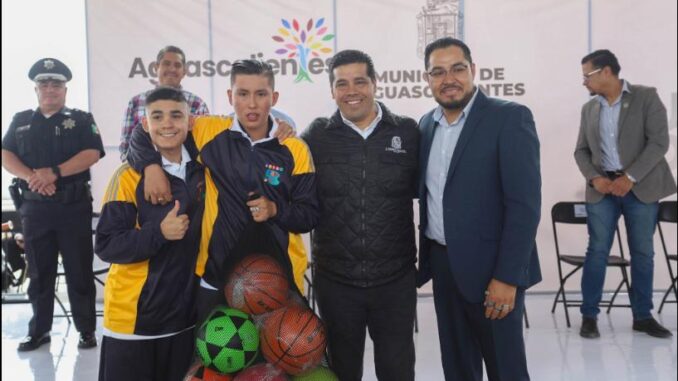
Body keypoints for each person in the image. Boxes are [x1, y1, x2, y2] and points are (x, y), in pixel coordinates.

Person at [127, 59, 318, 323]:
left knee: (278, 362)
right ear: (230, 96)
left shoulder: (295, 147)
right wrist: (151, 167)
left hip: (277, 279)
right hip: (215, 275)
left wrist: (275, 209)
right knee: (216, 359)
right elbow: (144, 131)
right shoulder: (208, 130)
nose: (251, 104)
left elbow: (308, 216)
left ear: (273, 97)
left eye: (260, 94)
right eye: (242, 94)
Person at [417, 38, 541, 381]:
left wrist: (507, 277)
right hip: (443, 264)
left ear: (473, 70)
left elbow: (524, 206)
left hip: (493, 270)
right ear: (427, 78)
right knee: (457, 367)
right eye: (438, 72)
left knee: (506, 368)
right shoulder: (426, 125)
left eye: (457, 68)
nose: (448, 79)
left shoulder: (509, 118)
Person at [301, 50, 419, 381]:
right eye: (342, 83)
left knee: (397, 371)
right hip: (337, 280)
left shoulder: (407, 133)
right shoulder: (316, 137)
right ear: (332, 90)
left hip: (394, 279)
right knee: (342, 370)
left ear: (375, 83)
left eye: (360, 81)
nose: (351, 90)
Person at [95, 87, 204, 381]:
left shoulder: (203, 171)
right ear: (145, 125)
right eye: (157, 116)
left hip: (182, 321)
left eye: (176, 115)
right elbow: (106, 245)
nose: (167, 124)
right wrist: (159, 232)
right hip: (133, 322)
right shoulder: (128, 176)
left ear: (190, 122)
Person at [1, 58, 104, 351]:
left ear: (65, 89)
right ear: (36, 89)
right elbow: (6, 154)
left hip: (72, 208)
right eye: (44, 84)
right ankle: (39, 331)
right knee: (39, 272)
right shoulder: (21, 121)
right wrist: (33, 177)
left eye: (56, 84)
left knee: (79, 271)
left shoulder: (81, 119)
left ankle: (86, 330)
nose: (50, 89)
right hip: (35, 209)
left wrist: (54, 173)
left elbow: (92, 153)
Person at [574, 49, 676, 339]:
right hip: (602, 189)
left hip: (640, 188)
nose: (584, 82)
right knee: (597, 251)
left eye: (587, 75)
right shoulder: (589, 109)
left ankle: (643, 316)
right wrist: (594, 178)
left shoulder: (646, 97)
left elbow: (658, 143)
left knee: (643, 253)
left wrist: (630, 178)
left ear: (606, 71)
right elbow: (580, 151)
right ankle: (589, 316)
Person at [119, 45, 210, 161]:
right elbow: (126, 149)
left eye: (177, 65)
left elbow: (204, 146)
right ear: (156, 67)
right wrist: (143, 171)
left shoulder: (197, 104)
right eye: (166, 64)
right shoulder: (136, 103)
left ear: (184, 71)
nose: (172, 69)